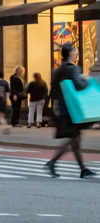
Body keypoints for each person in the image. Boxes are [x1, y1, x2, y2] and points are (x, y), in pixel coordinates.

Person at [46, 42, 95, 179]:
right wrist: (86, 79)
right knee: (74, 138)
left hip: (64, 108)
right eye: (75, 51)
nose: (77, 53)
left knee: (75, 139)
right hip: (73, 110)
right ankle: (53, 162)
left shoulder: (59, 69)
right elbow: (78, 85)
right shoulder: (73, 69)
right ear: (69, 54)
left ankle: (82, 169)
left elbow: (56, 89)